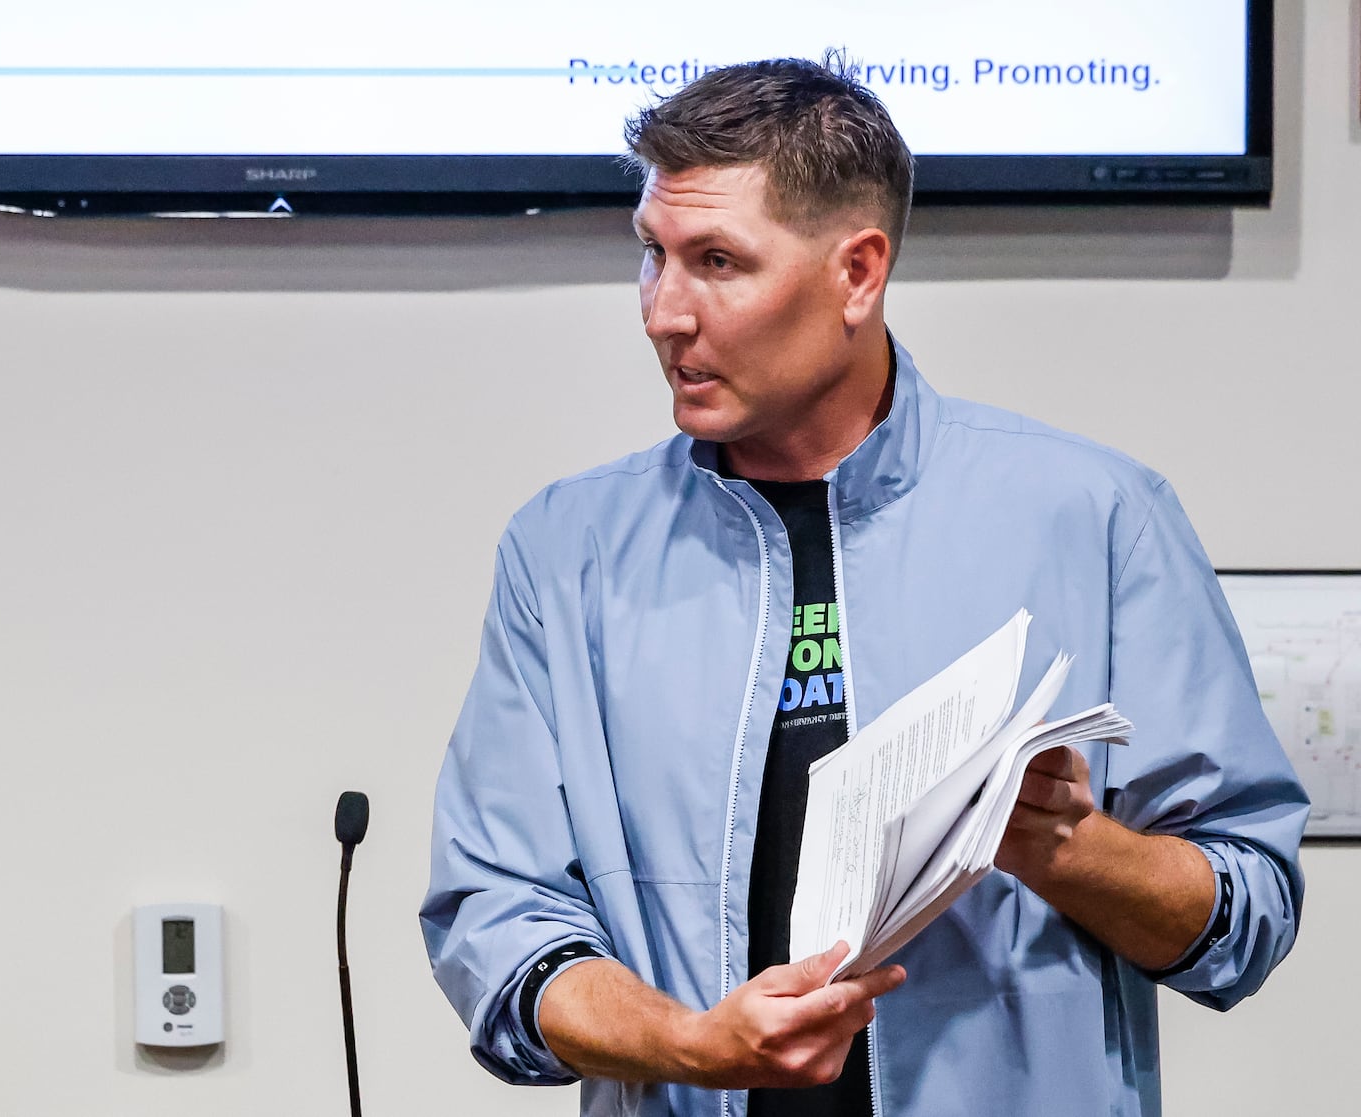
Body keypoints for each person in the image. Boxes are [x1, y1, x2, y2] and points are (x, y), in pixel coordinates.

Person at [420, 55, 1307, 1117]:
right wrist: (690, 1043)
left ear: (857, 272)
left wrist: (1061, 847)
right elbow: (498, 921)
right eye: (649, 255)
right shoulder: (566, 550)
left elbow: (1246, 915)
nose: (663, 311)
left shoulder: (1097, 515)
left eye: (716, 261)